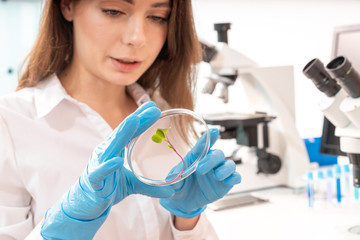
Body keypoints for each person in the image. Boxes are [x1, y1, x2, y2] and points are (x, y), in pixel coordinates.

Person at [0, 0, 241, 239]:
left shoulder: (165, 113)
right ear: (67, 5)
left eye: (158, 17)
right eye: (113, 11)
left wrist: (187, 219)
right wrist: (60, 231)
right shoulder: (10, 122)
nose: (137, 38)